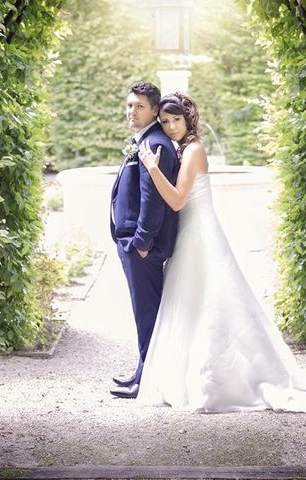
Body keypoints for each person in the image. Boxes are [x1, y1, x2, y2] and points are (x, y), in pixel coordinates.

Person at [136, 92, 306, 413]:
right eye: (165, 122)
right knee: (191, 302)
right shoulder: (181, 148)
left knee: (212, 301)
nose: (172, 127)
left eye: (177, 120)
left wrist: (152, 168)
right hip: (189, 233)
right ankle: (186, 376)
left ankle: (224, 383)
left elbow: (176, 200)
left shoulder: (194, 150)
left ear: (189, 119)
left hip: (200, 234)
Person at [109, 82, 180, 399]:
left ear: (154, 110)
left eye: (139, 106)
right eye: (128, 105)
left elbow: (153, 200)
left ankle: (148, 381)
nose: (131, 111)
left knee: (148, 312)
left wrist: (140, 241)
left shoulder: (155, 144)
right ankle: (142, 371)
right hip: (134, 243)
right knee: (144, 311)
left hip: (142, 247)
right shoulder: (144, 141)